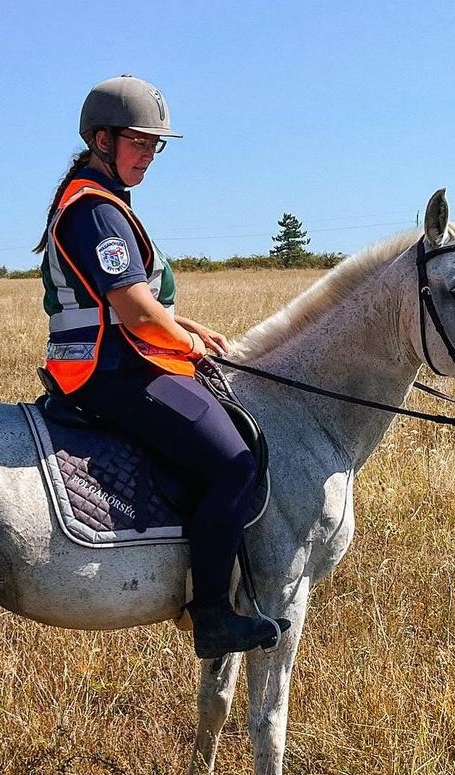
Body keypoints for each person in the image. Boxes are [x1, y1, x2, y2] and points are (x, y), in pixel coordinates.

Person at [36, 75, 288, 659]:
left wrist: (188, 327)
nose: (148, 156)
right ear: (101, 139)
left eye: (156, 146)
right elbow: (130, 307)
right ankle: (212, 617)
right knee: (235, 466)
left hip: (116, 359)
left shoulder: (103, 202)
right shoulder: (96, 209)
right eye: (138, 142)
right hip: (111, 370)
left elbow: (137, 300)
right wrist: (186, 344)